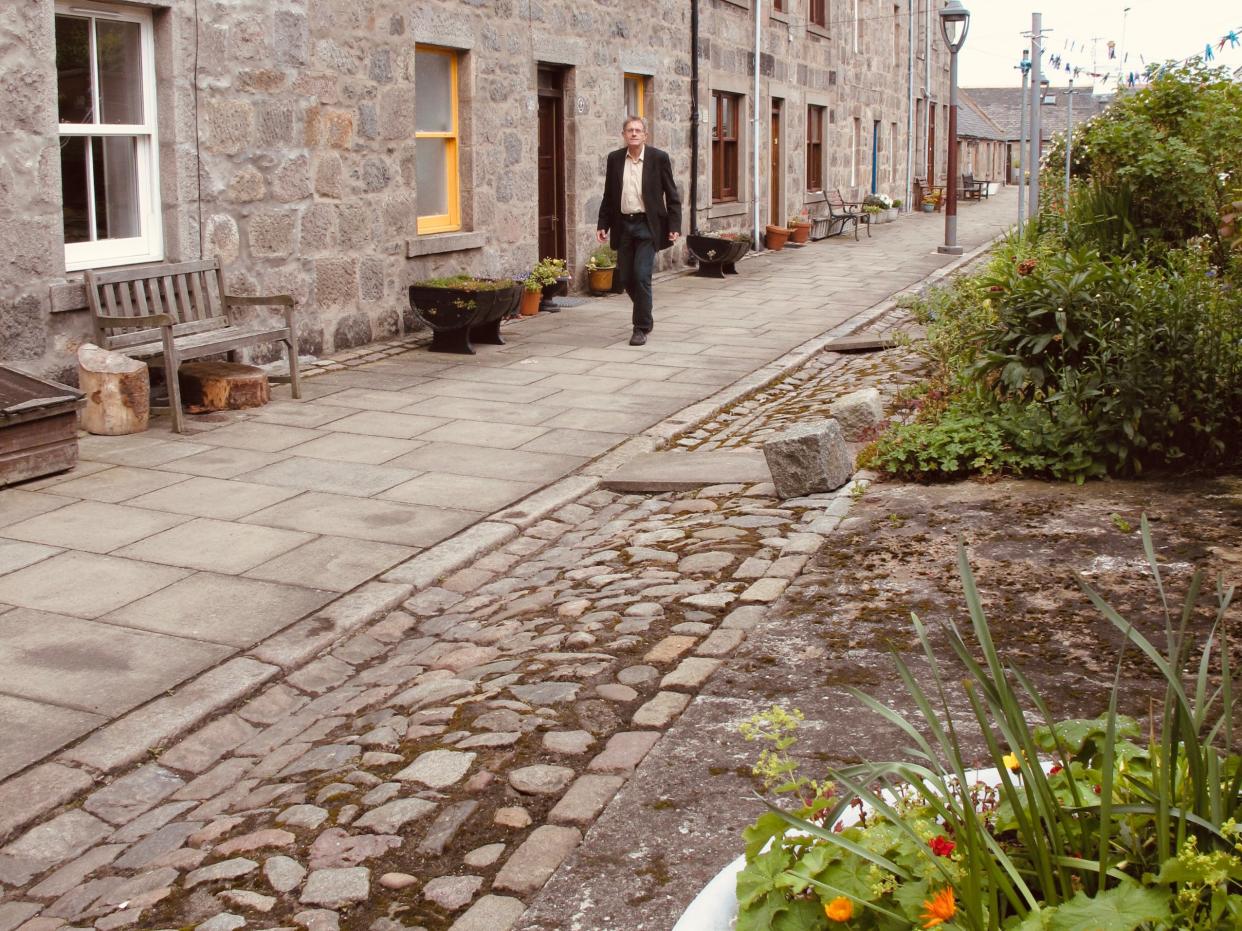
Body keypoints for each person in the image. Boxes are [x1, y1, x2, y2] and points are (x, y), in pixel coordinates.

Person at [596, 116, 682, 346]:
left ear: (645, 135)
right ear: (624, 135)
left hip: (647, 226)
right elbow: (609, 195)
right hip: (623, 225)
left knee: (642, 276)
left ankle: (640, 328)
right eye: (629, 130)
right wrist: (602, 224)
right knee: (626, 278)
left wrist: (674, 226)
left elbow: (672, 196)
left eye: (638, 130)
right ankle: (646, 314)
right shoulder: (614, 159)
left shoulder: (658, 158)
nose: (633, 134)